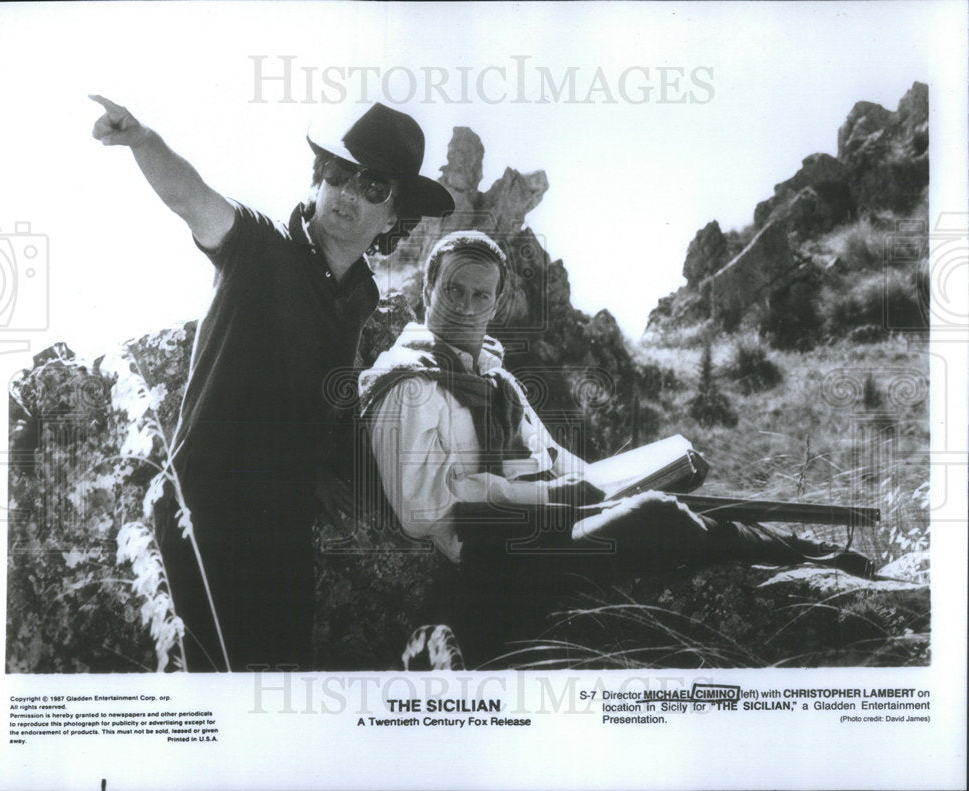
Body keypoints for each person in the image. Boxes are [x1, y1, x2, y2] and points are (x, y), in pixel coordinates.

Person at [358, 230, 875, 666]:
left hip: (544, 528)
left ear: (496, 303)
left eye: (481, 296)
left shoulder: (495, 381)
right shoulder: (410, 383)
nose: (467, 308)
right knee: (657, 515)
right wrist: (554, 496)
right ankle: (819, 556)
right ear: (426, 288)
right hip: (491, 563)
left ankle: (822, 556)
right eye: (454, 291)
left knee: (676, 494)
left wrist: (619, 480)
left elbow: (556, 460)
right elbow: (420, 511)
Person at [90, 96, 453, 671]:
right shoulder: (260, 247)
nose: (348, 194)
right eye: (338, 174)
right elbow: (194, 199)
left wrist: (326, 469)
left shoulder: (361, 297)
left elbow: (319, 393)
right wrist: (143, 141)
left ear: (394, 218)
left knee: (277, 707)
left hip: (282, 538)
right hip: (204, 521)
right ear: (318, 181)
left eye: (374, 187)